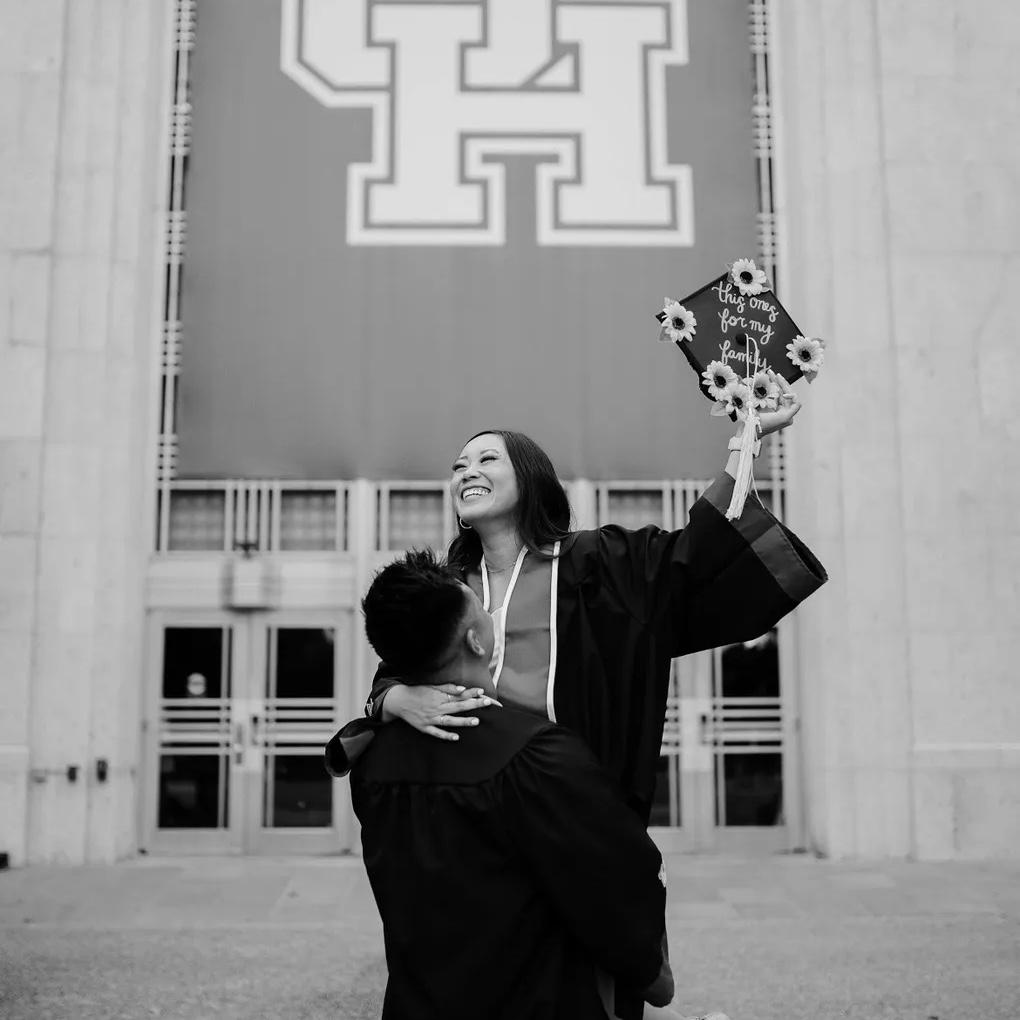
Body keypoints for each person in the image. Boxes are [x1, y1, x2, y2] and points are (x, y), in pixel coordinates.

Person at [329, 371, 825, 1016]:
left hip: (565, 810)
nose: (466, 470)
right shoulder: (445, 585)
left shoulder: (599, 564)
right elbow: (399, 661)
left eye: (486, 458)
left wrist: (746, 440)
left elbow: (695, 557)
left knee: (574, 977)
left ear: (531, 478)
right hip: (469, 821)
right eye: (458, 464)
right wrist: (393, 698)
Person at [352, 549, 723, 1020]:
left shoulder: (370, 759)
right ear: (477, 641)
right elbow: (613, 882)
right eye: (482, 608)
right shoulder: (537, 757)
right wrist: (652, 974)